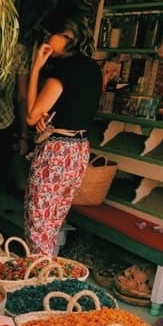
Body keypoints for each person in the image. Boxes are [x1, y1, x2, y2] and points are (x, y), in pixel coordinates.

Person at [24, 14, 102, 255]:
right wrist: (48, 123)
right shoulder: (92, 68)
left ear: (67, 36)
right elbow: (72, 107)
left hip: (57, 152)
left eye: (50, 35)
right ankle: (47, 275)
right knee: (53, 220)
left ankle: (39, 282)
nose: (47, 40)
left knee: (38, 223)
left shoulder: (64, 69)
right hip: (79, 150)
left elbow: (31, 116)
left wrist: (36, 67)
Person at [0, 40, 30, 226]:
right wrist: (23, 135)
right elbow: (21, 97)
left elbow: (19, 97)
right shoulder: (18, 50)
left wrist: (23, 135)